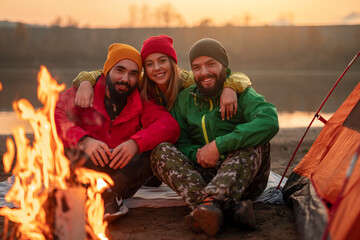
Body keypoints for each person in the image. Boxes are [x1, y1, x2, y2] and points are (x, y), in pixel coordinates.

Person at [150, 38, 279, 237]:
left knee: (254, 142)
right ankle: (224, 209)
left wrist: (219, 146)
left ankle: (210, 204)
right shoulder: (185, 99)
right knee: (160, 151)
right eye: (197, 67)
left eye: (211, 64)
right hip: (204, 172)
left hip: (245, 177)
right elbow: (180, 140)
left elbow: (269, 120)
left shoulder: (242, 93)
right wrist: (198, 155)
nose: (204, 73)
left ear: (224, 66)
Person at [54, 43, 180, 223]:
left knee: (155, 150)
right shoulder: (83, 92)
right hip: (88, 163)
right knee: (63, 147)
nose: (125, 79)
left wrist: (135, 143)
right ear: (107, 71)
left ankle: (106, 195)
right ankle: (105, 197)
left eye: (133, 74)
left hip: (123, 171)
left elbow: (170, 126)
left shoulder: (141, 100)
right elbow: (51, 114)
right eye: (119, 70)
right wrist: (84, 141)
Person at [72, 35, 251, 120]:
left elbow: (239, 76)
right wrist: (86, 81)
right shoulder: (142, 82)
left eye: (162, 61)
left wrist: (230, 87)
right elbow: (107, 74)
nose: (156, 68)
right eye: (149, 64)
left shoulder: (188, 81)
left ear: (172, 62)